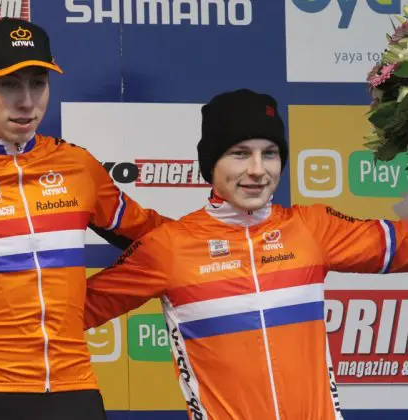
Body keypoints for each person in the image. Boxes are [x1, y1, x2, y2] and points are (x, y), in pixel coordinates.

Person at [0, 17, 172, 420]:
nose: (26, 101)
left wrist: (90, 303)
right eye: (9, 85)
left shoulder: (78, 166)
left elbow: (161, 239)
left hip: (75, 386)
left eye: (37, 83)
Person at [82, 88, 408, 420]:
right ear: (211, 163)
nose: (257, 170)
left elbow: (402, 247)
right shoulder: (170, 246)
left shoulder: (311, 228)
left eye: (269, 153)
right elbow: (66, 315)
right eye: (240, 153)